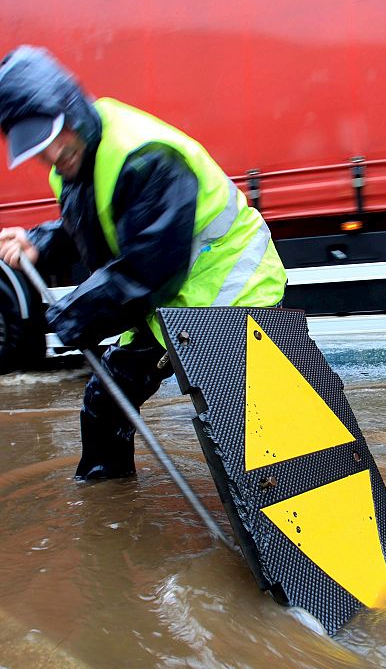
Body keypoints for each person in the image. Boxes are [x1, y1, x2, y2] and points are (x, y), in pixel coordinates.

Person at [0, 45, 287, 480]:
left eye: (55, 138)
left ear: (72, 108)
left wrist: (73, 315)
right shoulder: (75, 163)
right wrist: (37, 244)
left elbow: (147, 273)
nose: (53, 155)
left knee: (255, 426)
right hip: (168, 303)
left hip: (232, 295)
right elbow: (89, 226)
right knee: (106, 400)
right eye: (39, 149)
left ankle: (287, 501)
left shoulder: (144, 154)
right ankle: (105, 509)